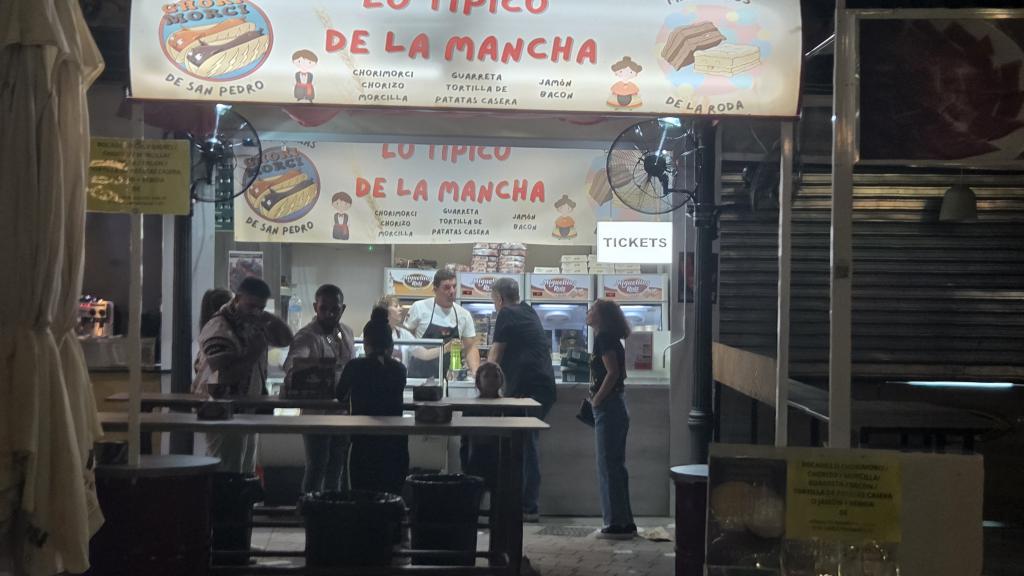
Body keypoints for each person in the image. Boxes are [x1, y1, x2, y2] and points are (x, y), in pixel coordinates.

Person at [193, 277, 293, 473]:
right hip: (221, 412)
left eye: (260, 307)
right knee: (227, 471)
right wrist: (254, 352)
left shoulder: (252, 321)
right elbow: (222, 378)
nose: (255, 312)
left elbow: (286, 339)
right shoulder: (219, 328)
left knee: (246, 471)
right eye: (251, 306)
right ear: (237, 298)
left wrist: (267, 317)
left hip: (246, 410)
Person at [487, 277, 556, 522]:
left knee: (526, 444)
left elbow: (495, 353)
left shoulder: (506, 313)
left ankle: (528, 507)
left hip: (528, 390)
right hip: (542, 387)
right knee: (524, 442)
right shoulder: (528, 310)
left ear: (499, 299)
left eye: (493, 300)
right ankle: (522, 503)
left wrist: (482, 380)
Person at [283, 284, 355, 494]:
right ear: (316, 307)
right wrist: (317, 369)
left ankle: (332, 508)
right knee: (317, 466)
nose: (329, 314)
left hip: (343, 413)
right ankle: (309, 509)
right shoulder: (306, 336)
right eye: (324, 308)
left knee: (337, 467)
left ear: (342, 309)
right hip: (316, 413)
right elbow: (292, 365)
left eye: (335, 309)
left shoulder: (347, 332)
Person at [337, 306, 408, 495]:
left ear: (365, 344)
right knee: (391, 494)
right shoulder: (399, 369)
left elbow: (340, 395)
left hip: (363, 439)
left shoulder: (354, 367)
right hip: (395, 441)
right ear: (391, 345)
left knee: (363, 495)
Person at [586, 299, 636, 539]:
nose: (588, 312)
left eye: (592, 309)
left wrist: (597, 400)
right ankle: (625, 521)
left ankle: (615, 523)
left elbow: (613, 372)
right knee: (615, 466)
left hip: (608, 407)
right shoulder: (612, 338)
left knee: (607, 466)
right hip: (616, 406)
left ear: (602, 316)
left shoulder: (603, 338)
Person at [405, 269, 479, 380]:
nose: (452, 291)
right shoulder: (419, 307)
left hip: (449, 378)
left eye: (454, 286)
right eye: (447, 287)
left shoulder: (464, 315)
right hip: (420, 378)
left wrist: (475, 372)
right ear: (435, 289)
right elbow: (406, 340)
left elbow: (470, 347)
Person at [463, 363, 504, 496]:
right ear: (478, 382)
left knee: (500, 496)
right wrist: (464, 465)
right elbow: (464, 441)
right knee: (473, 495)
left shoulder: (507, 406)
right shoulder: (471, 407)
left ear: (501, 381)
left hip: (501, 458)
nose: (491, 380)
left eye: (495, 376)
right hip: (477, 456)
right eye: (486, 376)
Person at [376, 295, 415, 363]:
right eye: (396, 306)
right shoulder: (371, 332)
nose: (400, 309)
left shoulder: (403, 333)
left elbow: (424, 354)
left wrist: (436, 348)